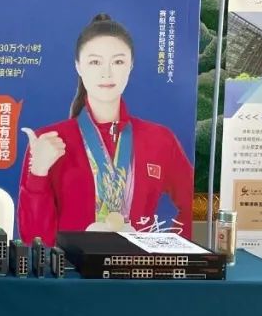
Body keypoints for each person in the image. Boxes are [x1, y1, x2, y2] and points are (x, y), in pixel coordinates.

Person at [17, 13, 193, 246]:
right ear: (78, 66)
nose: (107, 73)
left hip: (136, 267)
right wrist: (38, 172)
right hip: (71, 268)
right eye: (95, 62)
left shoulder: (159, 139)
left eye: (118, 62)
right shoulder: (49, 141)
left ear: (131, 65)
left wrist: (168, 253)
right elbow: (34, 240)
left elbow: (193, 205)